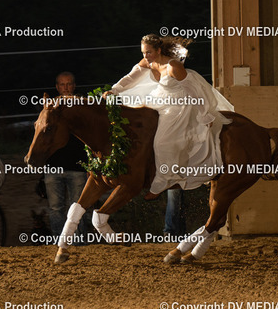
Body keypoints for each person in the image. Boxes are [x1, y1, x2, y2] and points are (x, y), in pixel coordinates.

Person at [106, 34, 234, 198]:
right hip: (158, 99)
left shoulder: (173, 66)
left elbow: (194, 91)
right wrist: (115, 90)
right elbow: (131, 77)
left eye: (149, 52)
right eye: (143, 52)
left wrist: (204, 114)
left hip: (178, 105)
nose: (146, 56)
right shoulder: (147, 62)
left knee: (163, 142)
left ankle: (164, 180)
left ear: (159, 50)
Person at [43, 71, 90, 238]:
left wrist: (90, 165)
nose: (66, 87)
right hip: (53, 166)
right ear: (57, 87)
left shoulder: (83, 106)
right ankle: (59, 241)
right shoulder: (50, 108)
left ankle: (80, 242)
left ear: (74, 86)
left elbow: (90, 136)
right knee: (55, 208)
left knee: (78, 207)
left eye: (69, 84)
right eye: (62, 84)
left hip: (78, 166)